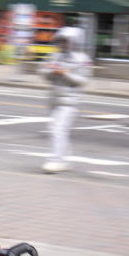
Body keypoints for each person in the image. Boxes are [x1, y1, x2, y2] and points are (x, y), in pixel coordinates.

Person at [38, 27, 91, 173]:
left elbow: (83, 80)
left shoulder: (82, 59)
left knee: (57, 128)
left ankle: (57, 160)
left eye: (67, 41)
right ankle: (65, 159)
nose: (64, 43)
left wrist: (66, 74)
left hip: (70, 101)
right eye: (62, 40)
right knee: (60, 129)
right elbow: (42, 71)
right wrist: (53, 71)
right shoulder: (55, 56)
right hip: (54, 98)